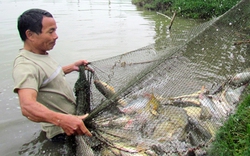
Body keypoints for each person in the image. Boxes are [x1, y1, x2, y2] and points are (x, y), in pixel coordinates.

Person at [12, 8, 92, 142]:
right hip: (63, 132)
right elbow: (27, 106)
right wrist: (62, 120)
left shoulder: (40, 54)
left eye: (55, 30)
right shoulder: (25, 65)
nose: (56, 36)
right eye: (51, 31)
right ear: (30, 35)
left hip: (74, 122)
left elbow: (46, 76)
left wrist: (70, 67)